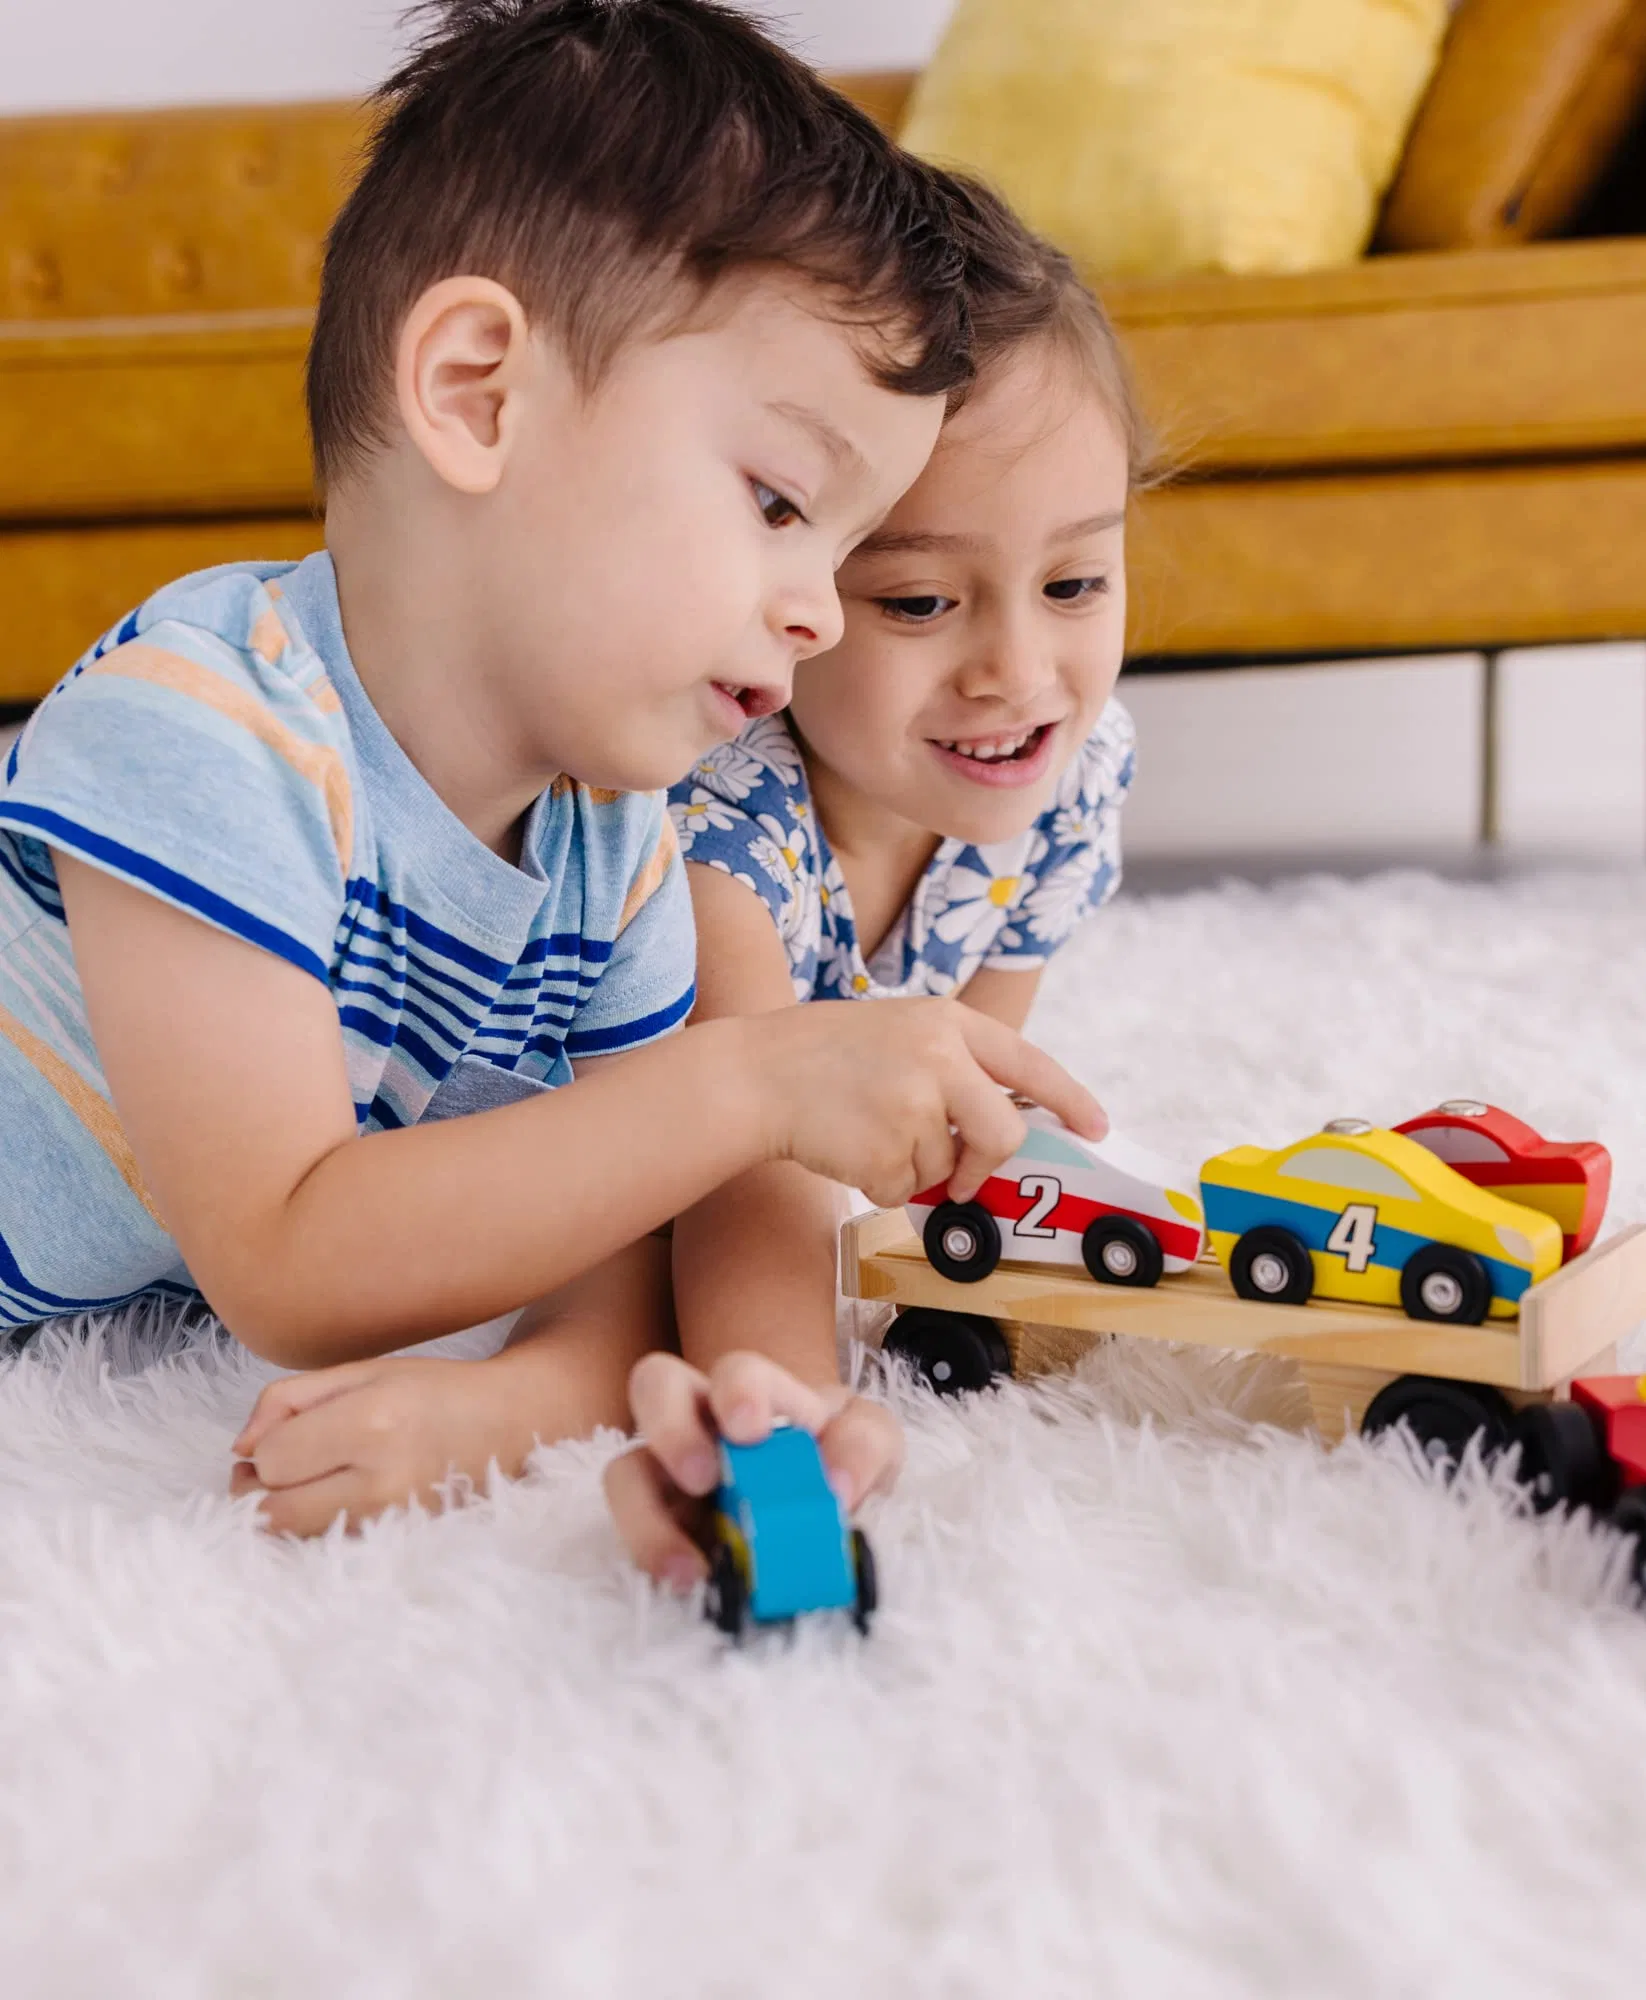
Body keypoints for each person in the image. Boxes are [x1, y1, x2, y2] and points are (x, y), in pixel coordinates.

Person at [0, 0, 1101, 1535]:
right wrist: (759, 1076)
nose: (816, 606)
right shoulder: (200, 732)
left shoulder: (610, 850)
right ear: (477, 393)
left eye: (852, 552)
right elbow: (289, 1254)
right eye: (785, 504)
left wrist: (726, 1417)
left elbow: (611, 1272)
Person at [602, 195, 1152, 1587]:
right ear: (792, 589)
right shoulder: (723, 818)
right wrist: (783, 1400)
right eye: (920, 604)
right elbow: (750, 1172)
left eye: (1077, 580)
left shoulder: (1071, 777)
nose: (1018, 673)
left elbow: (974, 1098)